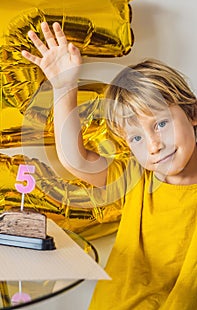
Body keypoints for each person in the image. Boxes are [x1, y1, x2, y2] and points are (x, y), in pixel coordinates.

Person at [22, 21, 197, 309]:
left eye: (162, 123)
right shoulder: (135, 177)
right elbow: (75, 159)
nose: (154, 145)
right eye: (137, 137)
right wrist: (64, 85)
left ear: (191, 112)